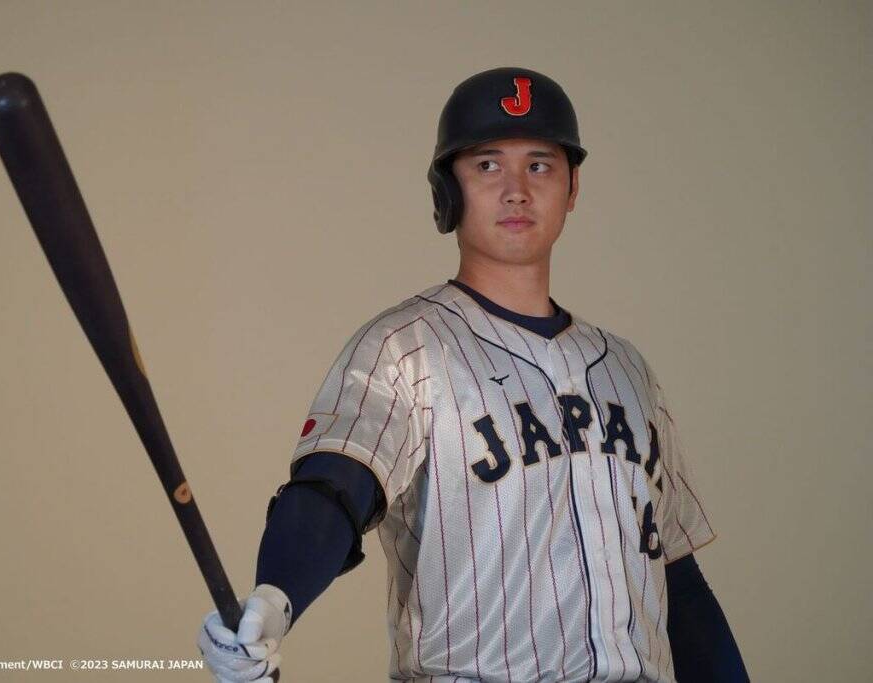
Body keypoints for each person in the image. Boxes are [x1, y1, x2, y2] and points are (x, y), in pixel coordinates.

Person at [196, 67, 748, 682]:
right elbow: (335, 490)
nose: (517, 190)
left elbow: (678, 584)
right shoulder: (405, 348)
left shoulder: (627, 370)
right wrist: (277, 595)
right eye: (487, 165)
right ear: (448, 190)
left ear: (571, 188)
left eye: (539, 165)